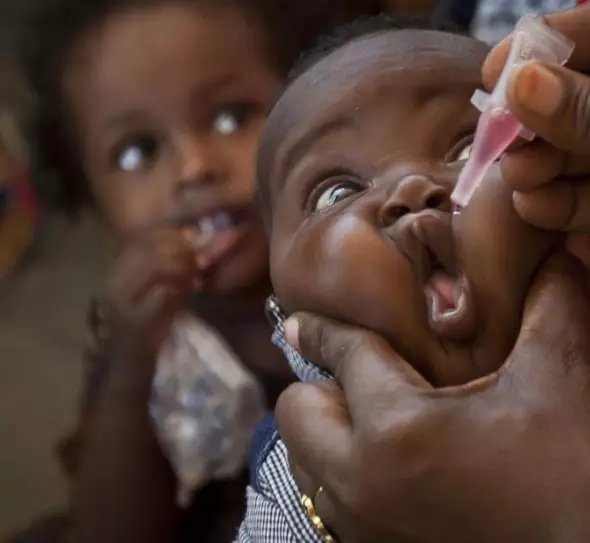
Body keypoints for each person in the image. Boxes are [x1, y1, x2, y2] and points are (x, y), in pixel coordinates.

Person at [270, 0, 590, 541]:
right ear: (282, 300)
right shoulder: (295, 496)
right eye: (336, 192)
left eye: (463, 144)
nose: (411, 188)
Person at [15, 0, 371, 541]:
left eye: (231, 117)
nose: (194, 168)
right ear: (97, 208)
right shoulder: (144, 341)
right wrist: (134, 362)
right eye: (138, 153)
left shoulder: (357, 254)